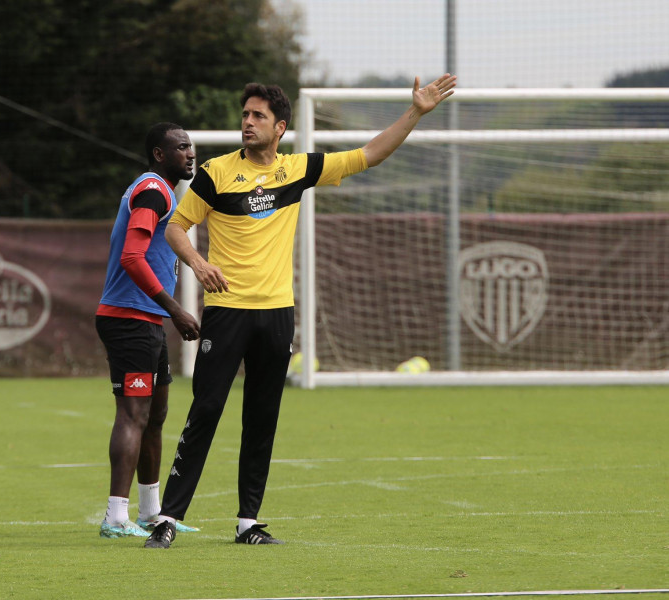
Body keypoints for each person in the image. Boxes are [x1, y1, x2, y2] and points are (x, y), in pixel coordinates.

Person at [144, 74, 457, 549]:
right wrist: (199, 264)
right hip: (227, 311)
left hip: (276, 314)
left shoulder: (298, 169)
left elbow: (368, 155)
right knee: (205, 410)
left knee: (262, 417)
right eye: (245, 115)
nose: (247, 123)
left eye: (258, 117)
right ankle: (168, 517)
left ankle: (248, 522)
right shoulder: (215, 172)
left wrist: (415, 112)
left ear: (280, 127)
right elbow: (176, 228)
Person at [95, 122, 203, 538]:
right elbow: (132, 256)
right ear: (159, 155)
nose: (190, 153)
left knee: (155, 415)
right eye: (180, 147)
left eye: (190, 146)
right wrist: (176, 309)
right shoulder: (154, 190)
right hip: (128, 320)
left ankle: (150, 511)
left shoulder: (163, 191)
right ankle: (115, 517)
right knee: (134, 414)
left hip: (146, 320)